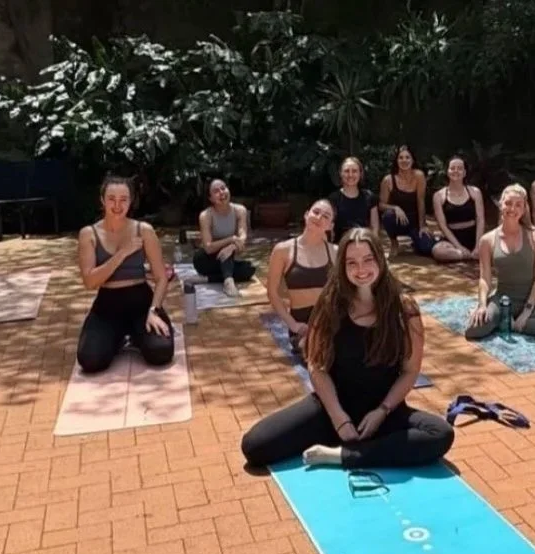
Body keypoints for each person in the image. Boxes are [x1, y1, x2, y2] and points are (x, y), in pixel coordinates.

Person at [240, 228, 455, 468]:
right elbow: (317, 365)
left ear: (380, 261)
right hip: (332, 407)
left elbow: (410, 371)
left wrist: (382, 412)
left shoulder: (403, 308)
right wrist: (338, 417)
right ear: (342, 266)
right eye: (351, 263)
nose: (361, 270)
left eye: (367, 260)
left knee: (440, 434)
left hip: (383, 411)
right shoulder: (330, 302)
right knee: (254, 446)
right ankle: (355, 442)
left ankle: (344, 455)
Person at [75, 175, 174, 374]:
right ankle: (120, 337)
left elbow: (161, 277)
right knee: (90, 360)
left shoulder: (143, 230)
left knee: (161, 352)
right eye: (112, 199)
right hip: (107, 307)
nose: (117, 205)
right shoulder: (89, 234)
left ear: (131, 201)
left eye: (124, 199)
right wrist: (122, 253)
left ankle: (138, 335)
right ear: (102, 200)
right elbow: (90, 281)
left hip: (141, 304)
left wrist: (154, 310)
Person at [465, 184, 535, 339]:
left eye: (518, 205)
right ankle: (505, 319)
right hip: (502, 302)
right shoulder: (487, 240)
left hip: (531, 303)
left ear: (524, 209)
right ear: (500, 204)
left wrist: (526, 312)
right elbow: (485, 278)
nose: (512, 209)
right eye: (508, 203)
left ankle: (509, 324)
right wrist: (482, 305)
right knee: (473, 330)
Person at [266, 199, 339, 353]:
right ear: (306, 215)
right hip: (303, 327)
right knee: (317, 353)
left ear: (331, 226)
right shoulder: (283, 250)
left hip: (331, 321)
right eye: (316, 212)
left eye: (326, 216)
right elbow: (272, 293)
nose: (319, 218)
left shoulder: (336, 252)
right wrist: (293, 324)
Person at [192, 179, 257, 295]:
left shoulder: (240, 210)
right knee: (202, 257)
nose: (222, 192)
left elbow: (243, 237)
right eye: (216, 191)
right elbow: (208, 247)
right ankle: (228, 281)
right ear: (211, 198)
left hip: (227, 257)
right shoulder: (206, 215)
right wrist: (231, 240)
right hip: (207, 260)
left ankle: (209, 279)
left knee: (249, 269)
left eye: (223, 188)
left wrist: (231, 247)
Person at [430, 155, 486, 263]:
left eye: (460, 168)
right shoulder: (439, 196)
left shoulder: (475, 192)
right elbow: (443, 226)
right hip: (452, 239)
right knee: (437, 251)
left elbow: (480, 220)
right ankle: (465, 255)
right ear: (447, 171)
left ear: (465, 173)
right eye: (452, 168)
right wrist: (459, 247)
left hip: (473, 236)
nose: (456, 171)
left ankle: (476, 252)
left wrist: (478, 245)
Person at [378, 145, 429, 257]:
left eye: (407, 157)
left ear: (412, 160)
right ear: (396, 161)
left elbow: (421, 201)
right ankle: (394, 241)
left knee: (426, 248)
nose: (404, 160)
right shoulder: (388, 180)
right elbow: (381, 205)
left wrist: (422, 226)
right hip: (397, 220)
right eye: (401, 158)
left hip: (414, 220)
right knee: (388, 216)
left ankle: (415, 242)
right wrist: (395, 208)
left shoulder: (419, 176)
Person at [327, 157, 380, 244]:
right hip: (340, 246)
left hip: (364, 244)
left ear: (360, 174)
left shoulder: (369, 197)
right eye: (347, 171)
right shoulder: (333, 199)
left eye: (354, 171)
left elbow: (374, 227)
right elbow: (329, 229)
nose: (350, 175)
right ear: (341, 173)